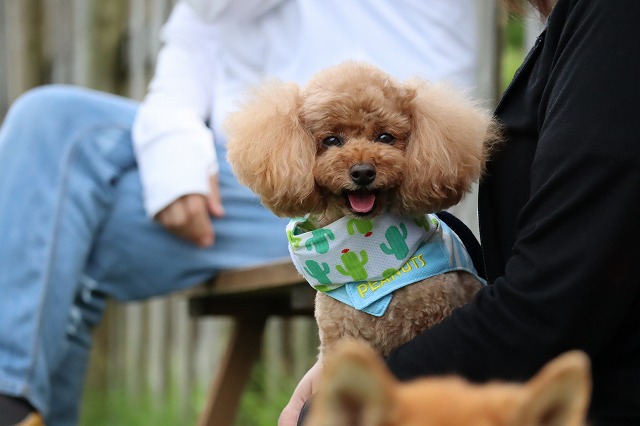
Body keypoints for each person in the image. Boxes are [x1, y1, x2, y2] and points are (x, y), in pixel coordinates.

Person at [0, 0, 480, 424]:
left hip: (376, 211)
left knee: (54, 222)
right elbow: (193, 35)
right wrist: (176, 157)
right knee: (48, 136)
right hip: (257, 163)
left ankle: (9, 400)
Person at [282, 0, 640, 425]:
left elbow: (554, 297)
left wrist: (345, 408)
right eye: (332, 141)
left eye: (385, 137)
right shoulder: (574, 25)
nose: (361, 162)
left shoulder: (616, 21)